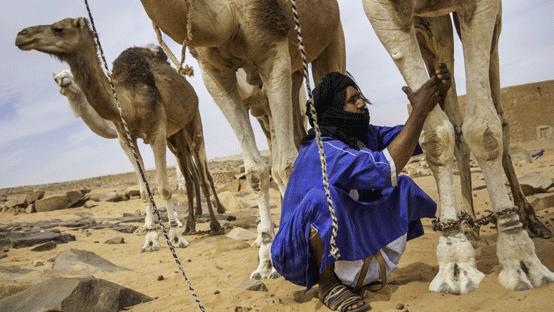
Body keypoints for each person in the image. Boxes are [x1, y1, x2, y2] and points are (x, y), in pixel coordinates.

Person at [271, 64, 451, 311]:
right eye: (352, 100)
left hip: (333, 241)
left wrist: (436, 102)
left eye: (360, 97)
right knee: (322, 200)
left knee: (402, 187)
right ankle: (328, 285)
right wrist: (419, 111)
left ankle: (361, 274)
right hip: (294, 253)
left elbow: (413, 138)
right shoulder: (323, 149)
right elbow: (382, 169)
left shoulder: (361, 136)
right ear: (334, 110)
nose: (360, 104)